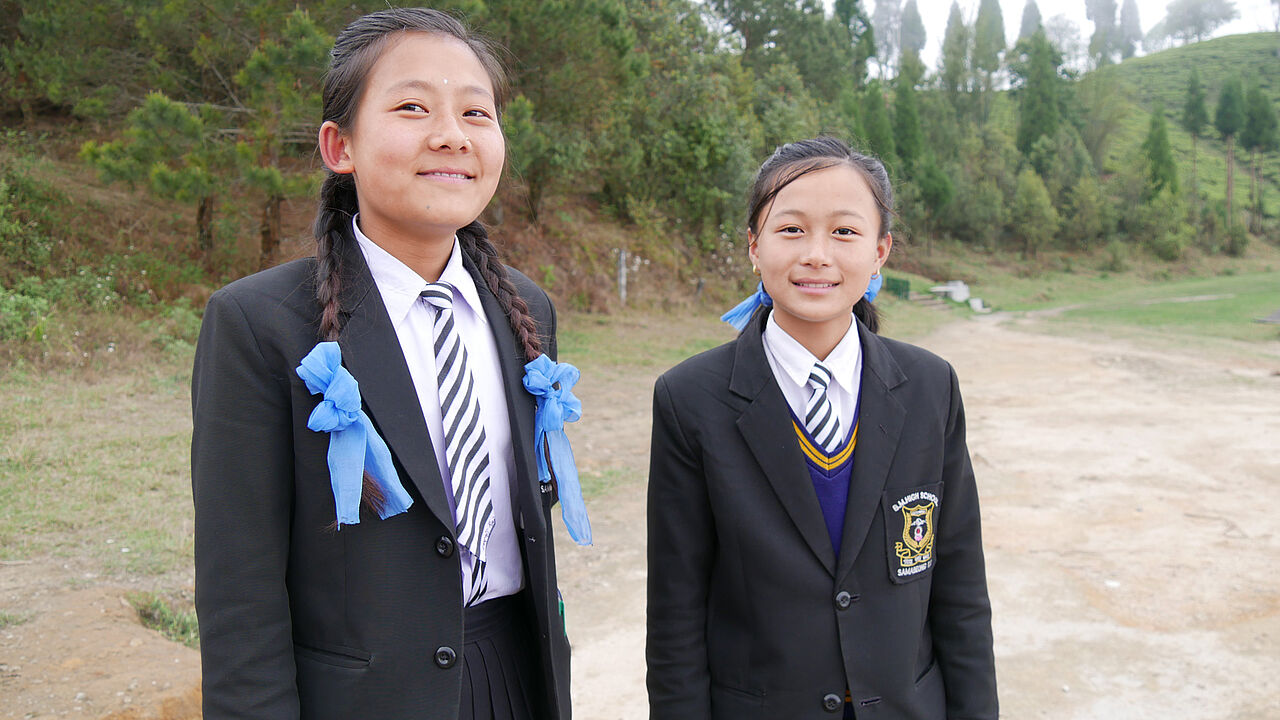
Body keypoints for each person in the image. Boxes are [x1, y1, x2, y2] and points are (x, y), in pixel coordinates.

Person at [190, 9, 578, 720]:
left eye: (475, 112)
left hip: (514, 680)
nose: (451, 135)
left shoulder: (526, 309)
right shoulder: (260, 324)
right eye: (411, 107)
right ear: (341, 145)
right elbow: (239, 591)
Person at [646, 136, 997, 720]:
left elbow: (960, 591)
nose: (816, 254)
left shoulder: (931, 387)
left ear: (881, 250)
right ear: (754, 246)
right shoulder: (690, 400)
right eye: (790, 230)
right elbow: (676, 615)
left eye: (844, 231)